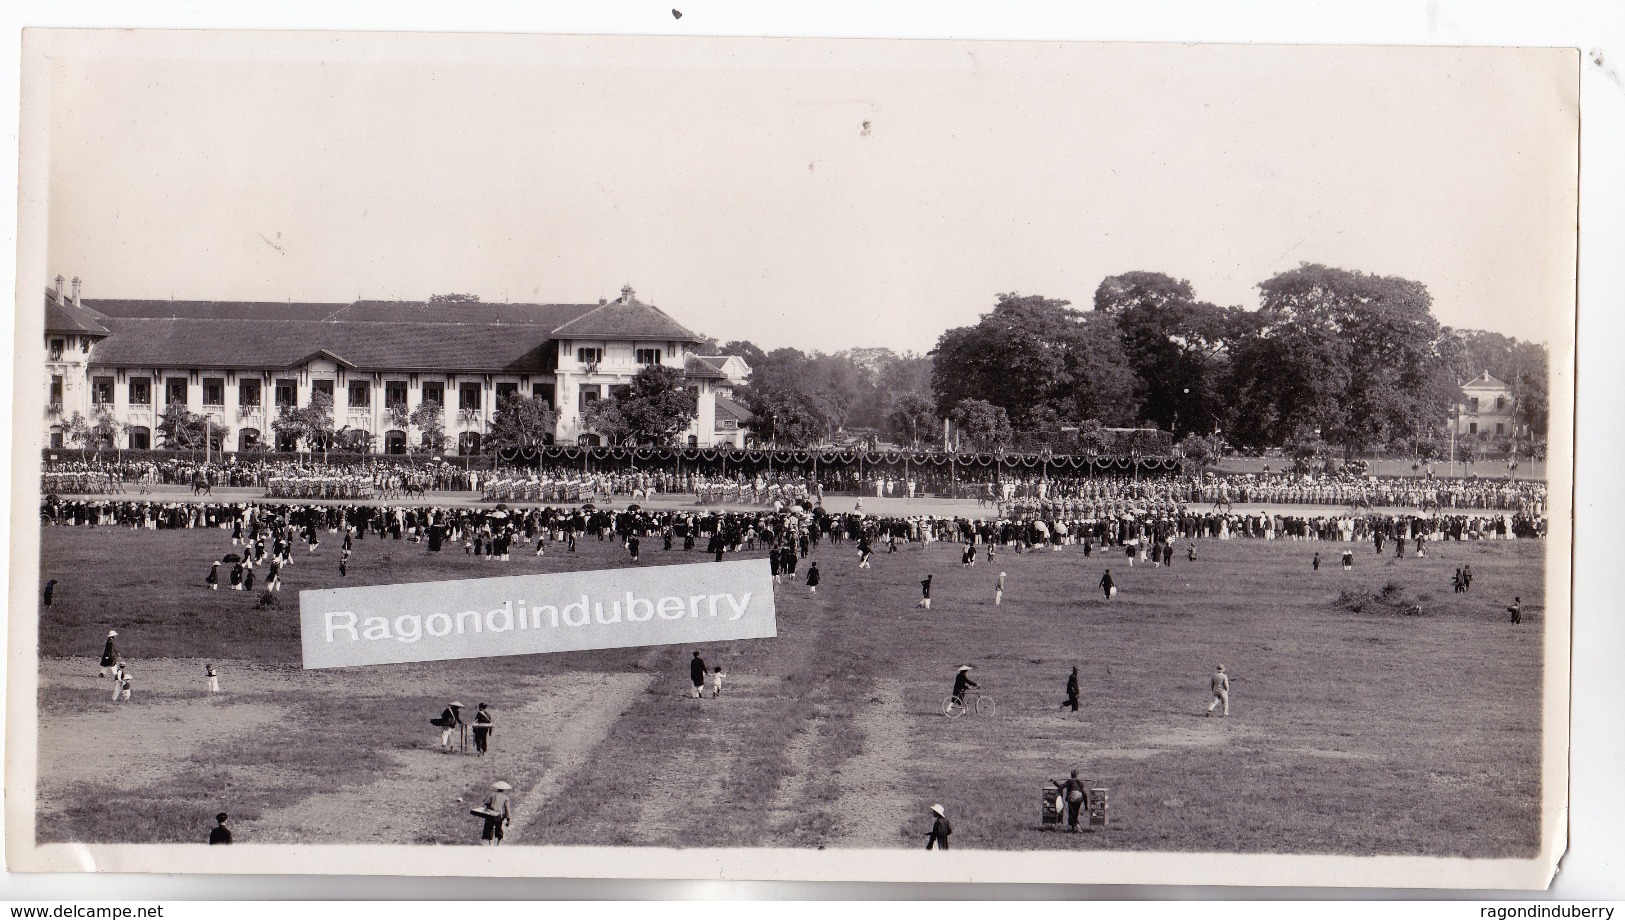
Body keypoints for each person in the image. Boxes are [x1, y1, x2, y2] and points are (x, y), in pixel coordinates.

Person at [480, 781, 512, 846]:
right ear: (503, 789)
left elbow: (485, 801)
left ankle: (491, 844)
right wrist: (508, 819)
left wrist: (489, 805)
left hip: (490, 814)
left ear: (497, 788)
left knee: (490, 828)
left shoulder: (492, 794)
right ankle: (499, 844)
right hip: (498, 815)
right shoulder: (505, 797)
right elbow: (507, 809)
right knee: (499, 828)